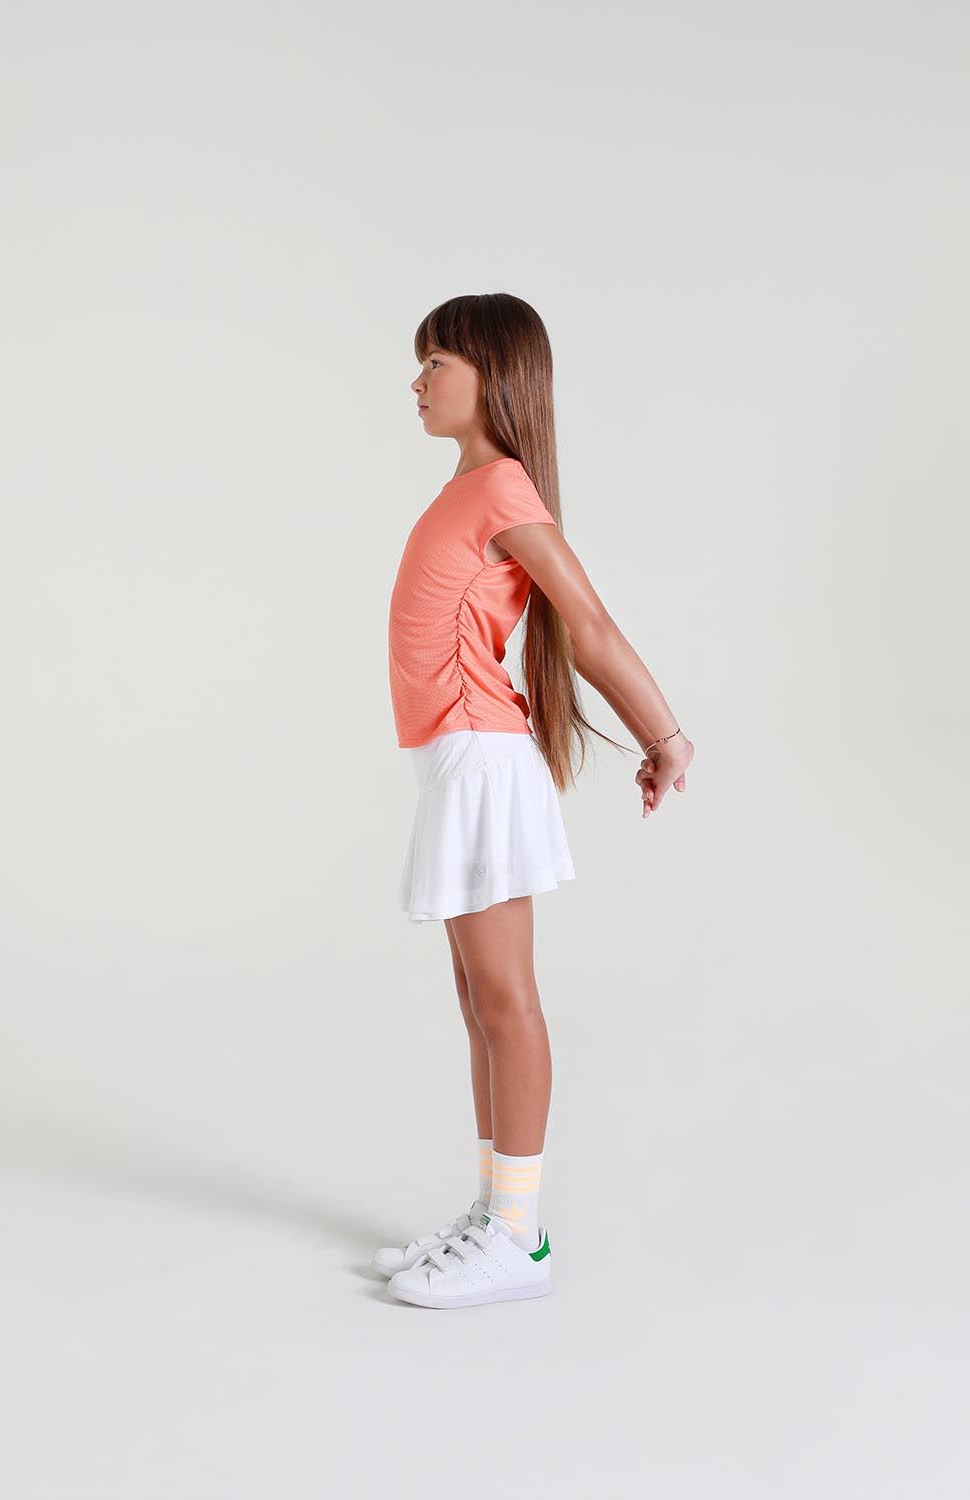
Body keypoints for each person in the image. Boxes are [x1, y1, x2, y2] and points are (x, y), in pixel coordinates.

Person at [375, 292, 694, 1309]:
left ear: (494, 375)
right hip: (455, 762)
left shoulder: (502, 486)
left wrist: (665, 737)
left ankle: (517, 1236)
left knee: (506, 1000)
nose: (417, 380)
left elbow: (587, 624)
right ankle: (494, 1215)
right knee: (479, 1003)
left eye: (437, 362)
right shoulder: (468, 488)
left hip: (482, 762)